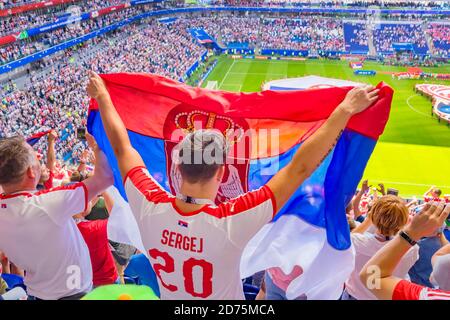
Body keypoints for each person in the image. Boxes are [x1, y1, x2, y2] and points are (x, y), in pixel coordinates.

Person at [87, 71, 379, 299]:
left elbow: (123, 147)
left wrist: (103, 97)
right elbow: (299, 168)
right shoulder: (230, 220)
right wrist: (344, 111)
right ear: (222, 171)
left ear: (176, 166)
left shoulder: (147, 204)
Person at [0, 134, 114, 300]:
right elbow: (106, 177)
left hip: (38, 293)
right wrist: (97, 146)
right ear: (31, 171)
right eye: (37, 158)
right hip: (73, 294)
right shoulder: (47, 204)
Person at [360, 201, 450, 300]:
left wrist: (411, 233)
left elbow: (371, 278)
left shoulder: (428, 296)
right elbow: (439, 258)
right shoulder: (414, 249)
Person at [343, 195, 419, 300]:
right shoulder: (411, 249)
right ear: (404, 221)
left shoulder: (357, 242)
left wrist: (368, 220)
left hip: (355, 295)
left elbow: (348, 240)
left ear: (372, 217)